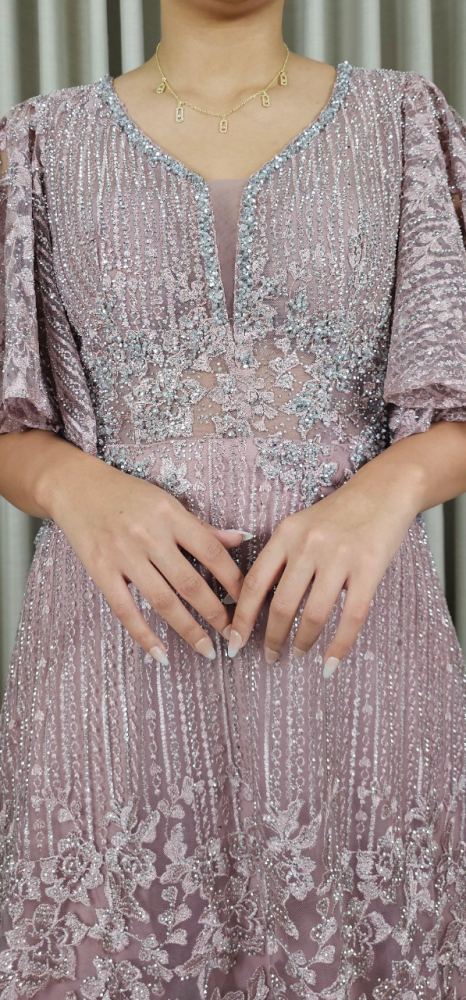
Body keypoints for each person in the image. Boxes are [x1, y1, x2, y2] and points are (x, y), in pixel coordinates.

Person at [1, 0, 466, 995]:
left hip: (356, 658)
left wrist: (388, 488)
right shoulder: (41, 139)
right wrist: (70, 483)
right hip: (117, 659)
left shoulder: (404, 122)